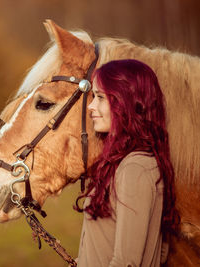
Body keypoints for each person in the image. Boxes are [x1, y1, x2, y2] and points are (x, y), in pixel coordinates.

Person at [75, 59, 180, 266]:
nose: (91, 106)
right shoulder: (121, 163)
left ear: (126, 102)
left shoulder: (136, 169)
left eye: (100, 97)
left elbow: (127, 262)